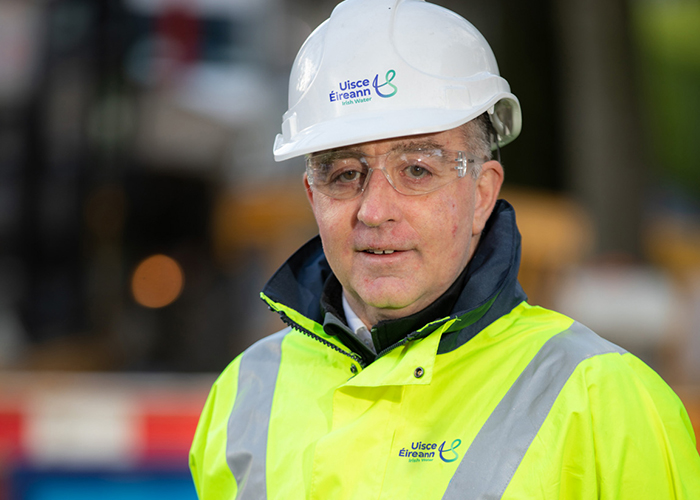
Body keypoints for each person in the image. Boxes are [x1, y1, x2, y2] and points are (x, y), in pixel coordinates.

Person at [189, 0, 700, 498]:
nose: (374, 210)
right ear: (312, 196)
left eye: (417, 170)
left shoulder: (605, 402)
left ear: (482, 192)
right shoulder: (242, 397)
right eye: (345, 175)